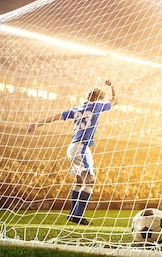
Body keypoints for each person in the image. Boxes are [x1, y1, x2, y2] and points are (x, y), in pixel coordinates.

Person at [27, 80, 117, 225]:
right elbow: (116, 101)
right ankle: (78, 215)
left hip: (73, 146)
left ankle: (72, 214)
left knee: (79, 180)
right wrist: (112, 85)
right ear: (99, 97)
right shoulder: (97, 106)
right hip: (81, 147)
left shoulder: (76, 109)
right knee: (90, 180)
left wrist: (37, 124)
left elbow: (56, 116)